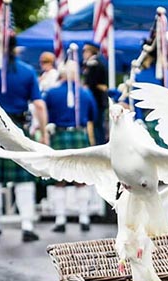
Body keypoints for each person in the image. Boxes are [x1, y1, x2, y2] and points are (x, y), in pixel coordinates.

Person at [0, 35, 48, 243]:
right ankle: (27, 225)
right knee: (24, 178)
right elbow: (39, 105)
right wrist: (43, 132)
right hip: (18, 128)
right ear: (15, 49)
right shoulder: (27, 71)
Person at [44, 59, 97, 232]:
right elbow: (93, 116)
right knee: (81, 179)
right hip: (79, 135)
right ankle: (84, 218)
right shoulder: (85, 93)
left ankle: (60, 220)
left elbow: (46, 115)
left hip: (59, 135)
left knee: (59, 180)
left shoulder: (51, 93)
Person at [81, 42, 108, 145]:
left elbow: (91, 83)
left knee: (98, 125)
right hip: (94, 100)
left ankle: (99, 145)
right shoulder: (90, 64)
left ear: (91, 51)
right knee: (95, 125)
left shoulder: (95, 65)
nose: (83, 53)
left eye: (85, 51)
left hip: (97, 100)